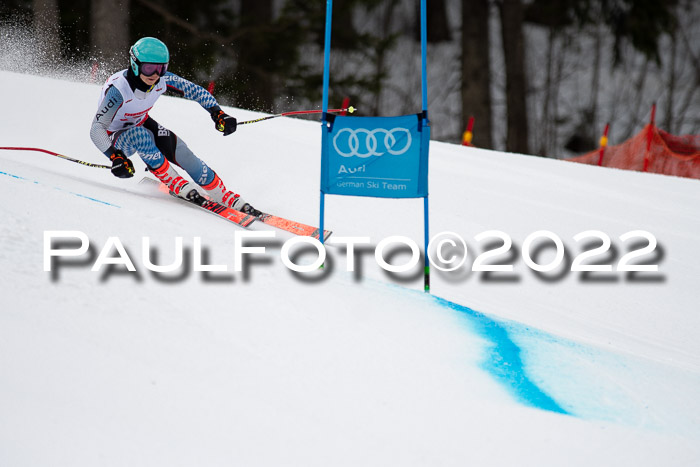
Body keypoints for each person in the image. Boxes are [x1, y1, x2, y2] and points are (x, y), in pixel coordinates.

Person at [90, 36, 259, 215]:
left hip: (141, 122)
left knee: (183, 152)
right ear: (135, 64)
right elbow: (96, 128)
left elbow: (195, 91)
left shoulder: (161, 80)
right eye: (149, 68)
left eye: (161, 68)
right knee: (140, 135)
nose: (155, 75)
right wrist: (115, 157)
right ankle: (174, 181)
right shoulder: (119, 89)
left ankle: (221, 194)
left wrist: (217, 113)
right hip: (115, 137)